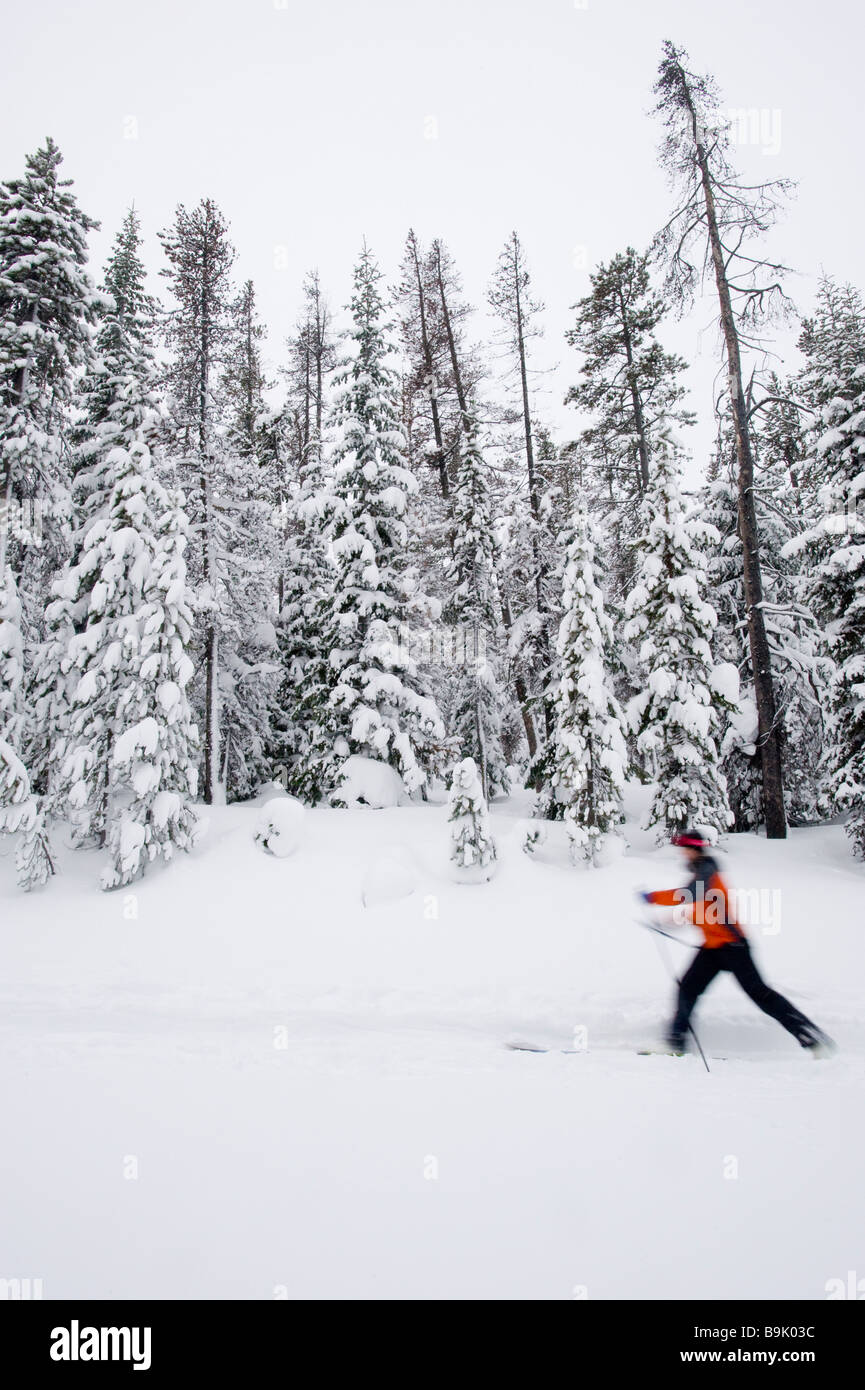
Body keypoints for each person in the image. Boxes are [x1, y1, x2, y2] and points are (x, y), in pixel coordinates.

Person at [639, 831, 835, 1057]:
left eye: (684, 849)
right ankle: (675, 1042)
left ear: (694, 850)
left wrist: (653, 898)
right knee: (688, 988)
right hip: (713, 949)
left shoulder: (708, 873)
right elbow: (701, 913)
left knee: (761, 995)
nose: (682, 853)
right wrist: (665, 924)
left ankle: (811, 1037)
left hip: (734, 948)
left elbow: (688, 895)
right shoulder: (701, 875)